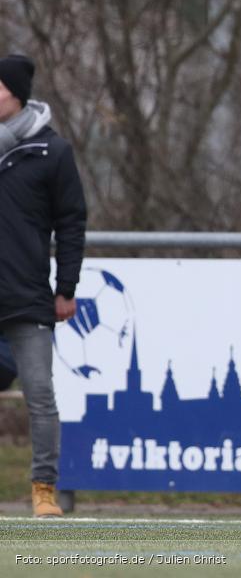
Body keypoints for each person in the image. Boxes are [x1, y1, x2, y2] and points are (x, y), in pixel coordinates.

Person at [0, 54, 87, 517]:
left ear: (16, 95)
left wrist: (65, 286)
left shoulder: (53, 152)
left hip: (27, 296)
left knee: (39, 396)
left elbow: (71, 222)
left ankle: (43, 490)